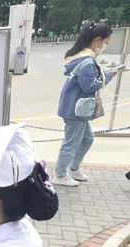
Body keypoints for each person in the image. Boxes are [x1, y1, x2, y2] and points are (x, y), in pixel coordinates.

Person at [54, 21, 116, 187]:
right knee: (71, 143)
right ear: (97, 40)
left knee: (87, 139)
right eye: (105, 42)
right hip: (76, 110)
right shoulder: (87, 61)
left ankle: (74, 168)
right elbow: (89, 86)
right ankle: (60, 174)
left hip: (75, 108)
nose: (105, 46)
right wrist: (108, 76)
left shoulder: (81, 58)